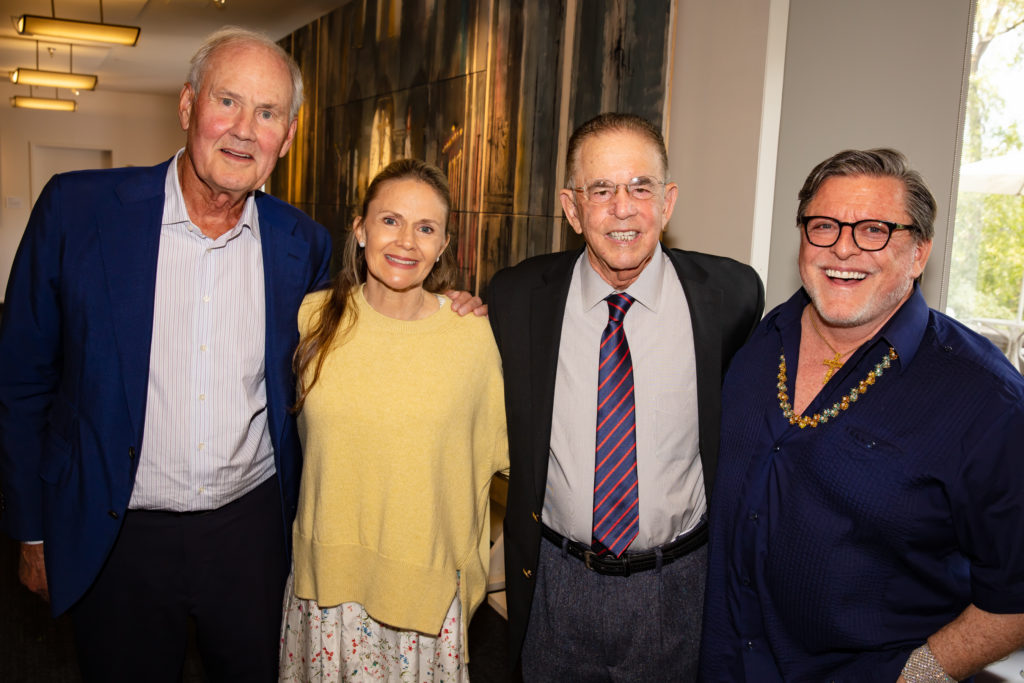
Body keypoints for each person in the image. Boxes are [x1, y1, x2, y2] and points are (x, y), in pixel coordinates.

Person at [0, 27, 481, 682]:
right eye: (228, 101)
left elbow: (357, 332)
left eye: (268, 113)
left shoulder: (301, 243)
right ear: (188, 106)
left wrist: (446, 307)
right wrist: (32, 529)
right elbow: (22, 378)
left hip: (252, 536)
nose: (244, 130)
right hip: (117, 534)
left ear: (286, 136)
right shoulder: (77, 211)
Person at [700, 148, 1024, 682]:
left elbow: (1014, 595)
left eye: (874, 230)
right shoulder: (756, 342)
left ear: (919, 253)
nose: (843, 249)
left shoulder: (988, 401)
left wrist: (916, 676)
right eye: (823, 226)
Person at [486, 112, 764, 680]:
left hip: (681, 586)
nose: (622, 207)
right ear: (571, 208)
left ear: (667, 202)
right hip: (555, 582)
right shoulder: (518, 297)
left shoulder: (732, 296)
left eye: (641, 187)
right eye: (601, 189)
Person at [278, 158, 508, 682]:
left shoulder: (472, 337)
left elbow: (510, 459)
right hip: (326, 594)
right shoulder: (313, 319)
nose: (406, 241)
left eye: (426, 228)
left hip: (422, 608)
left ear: (443, 245)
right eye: (390, 220)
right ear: (359, 230)